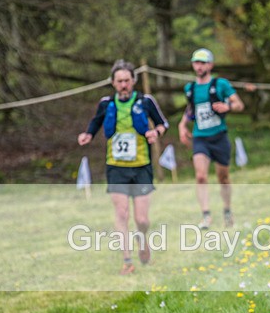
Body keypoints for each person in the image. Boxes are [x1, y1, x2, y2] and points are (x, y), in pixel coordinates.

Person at [77, 59, 169, 275]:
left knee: (142, 219)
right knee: (122, 213)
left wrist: (156, 132)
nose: (124, 85)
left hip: (141, 167)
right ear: (113, 83)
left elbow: (163, 123)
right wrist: (88, 134)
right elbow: (95, 122)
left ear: (134, 81)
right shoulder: (106, 103)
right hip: (116, 166)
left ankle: (143, 240)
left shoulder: (145, 101)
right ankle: (127, 260)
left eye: (127, 80)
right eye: (119, 81)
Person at [178, 48, 245, 229]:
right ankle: (206, 215)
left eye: (202, 62)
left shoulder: (221, 84)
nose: (199, 66)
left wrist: (227, 107)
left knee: (223, 177)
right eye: (196, 63)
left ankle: (227, 210)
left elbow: (239, 104)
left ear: (210, 65)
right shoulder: (190, 88)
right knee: (200, 176)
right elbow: (192, 110)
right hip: (200, 137)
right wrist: (182, 124)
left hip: (219, 136)